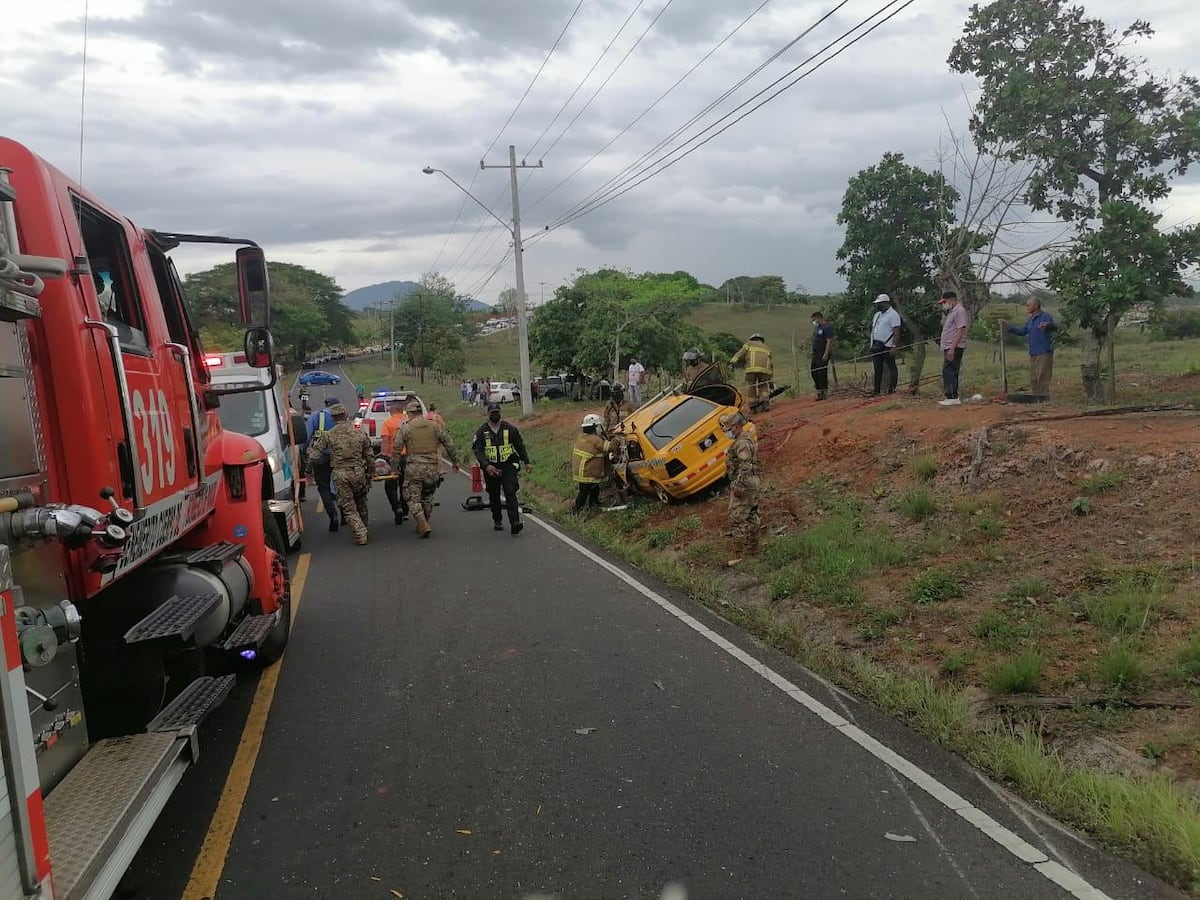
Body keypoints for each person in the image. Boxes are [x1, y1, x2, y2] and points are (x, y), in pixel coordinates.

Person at [390, 400, 460, 538]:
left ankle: (423, 523)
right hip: (432, 468)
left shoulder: (406, 428)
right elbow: (449, 443)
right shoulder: (434, 426)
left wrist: (394, 468)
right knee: (427, 496)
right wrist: (455, 461)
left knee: (411, 497)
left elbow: (396, 449)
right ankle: (423, 523)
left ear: (410, 413)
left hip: (414, 468)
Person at [307, 402, 373, 545]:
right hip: (358, 472)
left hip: (341, 474)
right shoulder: (359, 432)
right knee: (361, 501)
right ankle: (364, 526)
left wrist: (308, 469)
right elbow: (369, 455)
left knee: (348, 505)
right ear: (346, 415)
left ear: (333, 418)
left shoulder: (328, 435)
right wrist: (371, 472)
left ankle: (360, 532)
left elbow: (314, 455)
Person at [472, 402, 533, 535]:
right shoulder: (482, 432)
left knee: (510, 492)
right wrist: (486, 465)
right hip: (491, 467)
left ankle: (515, 522)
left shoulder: (510, 429)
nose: (495, 415)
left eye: (497, 412)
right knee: (493, 494)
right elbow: (478, 450)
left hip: (508, 465)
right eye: (492, 413)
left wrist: (527, 462)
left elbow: (519, 446)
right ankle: (497, 519)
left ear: (500, 413)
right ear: (488, 415)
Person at [721, 411, 761, 552]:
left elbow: (745, 465)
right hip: (752, 481)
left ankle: (738, 553)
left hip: (745, 483)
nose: (727, 432)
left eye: (728, 429)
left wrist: (739, 485)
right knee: (752, 515)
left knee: (737, 519)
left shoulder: (741, 443)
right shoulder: (747, 439)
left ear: (736, 426)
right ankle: (753, 548)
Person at [1005, 298, 1057, 399]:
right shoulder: (1031, 319)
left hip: (1044, 350)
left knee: (1043, 375)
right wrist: (1009, 327)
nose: (1027, 307)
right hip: (1033, 351)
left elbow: (1054, 327)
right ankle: (1035, 397)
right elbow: (1022, 331)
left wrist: (1048, 325)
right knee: (1034, 377)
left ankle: (1043, 397)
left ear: (1036, 305)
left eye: (1029, 305)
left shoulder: (1045, 316)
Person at [306, 397, 341, 531]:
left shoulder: (316, 416)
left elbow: (307, 436)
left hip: (320, 457)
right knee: (341, 485)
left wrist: (305, 455)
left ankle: (333, 516)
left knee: (324, 487)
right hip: (339, 456)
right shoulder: (342, 417)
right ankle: (345, 515)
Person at [379, 398, 410, 525]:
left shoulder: (388, 423)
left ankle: (396, 507)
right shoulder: (408, 422)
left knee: (391, 486)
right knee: (405, 485)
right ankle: (405, 510)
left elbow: (385, 441)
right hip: (408, 458)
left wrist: (383, 456)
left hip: (393, 458)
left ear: (392, 410)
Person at [572, 414, 610, 513]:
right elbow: (608, 447)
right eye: (598, 426)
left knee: (594, 487)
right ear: (594, 427)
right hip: (587, 471)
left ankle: (594, 503)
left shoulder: (582, 437)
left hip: (581, 470)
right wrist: (616, 440)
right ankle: (576, 511)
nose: (599, 429)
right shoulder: (595, 440)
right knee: (584, 492)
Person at [938, 290, 970, 406]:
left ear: (951, 299)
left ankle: (952, 396)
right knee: (948, 370)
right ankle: (950, 395)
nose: (944, 304)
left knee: (949, 370)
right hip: (948, 346)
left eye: (944, 301)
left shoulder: (959, 311)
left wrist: (952, 348)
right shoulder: (952, 312)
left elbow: (960, 330)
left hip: (954, 346)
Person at [730, 333, 773, 411]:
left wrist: (733, 361)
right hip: (765, 371)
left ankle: (753, 407)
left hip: (751, 369)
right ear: (761, 340)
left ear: (752, 339)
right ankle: (765, 404)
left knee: (751, 386)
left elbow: (741, 353)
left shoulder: (749, 344)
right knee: (763, 386)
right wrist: (770, 376)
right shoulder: (767, 348)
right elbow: (771, 363)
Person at [869, 294, 902, 396]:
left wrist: (894, 346)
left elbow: (896, 331)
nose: (878, 306)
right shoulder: (877, 315)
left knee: (891, 367)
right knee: (877, 369)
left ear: (886, 303)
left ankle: (891, 390)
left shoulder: (893, 315)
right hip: (876, 345)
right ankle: (876, 390)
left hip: (887, 345)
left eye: (880, 304)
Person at [810, 311, 835, 400]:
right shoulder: (817, 328)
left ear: (819, 318)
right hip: (815, 353)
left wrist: (826, 353)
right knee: (813, 372)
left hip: (822, 353)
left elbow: (829, 341)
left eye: (814, 320)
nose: (814, 322)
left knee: (821, 373)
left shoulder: (827, 327)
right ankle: (819, 390)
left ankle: (823, 392)